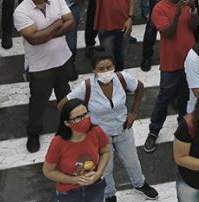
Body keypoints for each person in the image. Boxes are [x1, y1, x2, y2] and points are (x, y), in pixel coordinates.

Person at [60, 49, 158, 201]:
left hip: (124, 129)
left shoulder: (122, 78)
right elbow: (62, 105)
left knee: (132, 161)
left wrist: (133, 113)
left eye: (109, 67)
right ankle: (109, 194)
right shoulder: (86, 87)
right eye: (101, 69)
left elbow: (139, 87)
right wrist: (80, 125)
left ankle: (139, 184)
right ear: (94, 70)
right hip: (100, 136)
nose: (106, 72)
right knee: (105, 168)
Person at [14, 0, 75, 153]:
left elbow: (70, 22)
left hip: (63, 60)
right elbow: (33, 38)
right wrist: (57, 25)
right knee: (38, 101)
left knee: (66, 97)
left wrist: (46, 34)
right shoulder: (22, 11)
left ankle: (69, 127)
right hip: (40, 67)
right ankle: (34, 132)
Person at [144, 0, 199, 154]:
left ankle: (183, 126)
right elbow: (167, 33)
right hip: (171, 62)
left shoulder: (187, 4)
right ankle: (154, 131)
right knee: (164, 97)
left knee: (186, 96)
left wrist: (192, 10)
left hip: (190, 61)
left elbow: (194, 26)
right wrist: (177, 13)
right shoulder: (159, 8)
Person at [42, 99, 111, 201]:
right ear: (67, 123)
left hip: (94, 188)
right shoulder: (58, 143)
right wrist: (74, 180)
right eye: (78, 117)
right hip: (69, 193)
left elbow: (105, 152)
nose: (84, 119)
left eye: (85, 114)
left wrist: (98, 173)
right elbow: (48, 171)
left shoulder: (96, 131)